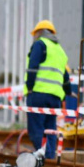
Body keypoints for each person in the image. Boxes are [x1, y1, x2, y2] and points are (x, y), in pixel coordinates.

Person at [25, 20, 71, 159]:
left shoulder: (40, 44)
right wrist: (68, 92)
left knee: (36, 130)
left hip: (38, 94)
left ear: (40, 32)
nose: (34, 36)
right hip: (55, 97)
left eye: (35, 33)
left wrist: (30, 87)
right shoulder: (60, 51)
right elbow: (65, 75)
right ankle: (50, 158)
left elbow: (32, 67)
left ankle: (43, 158)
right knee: (50, 130)